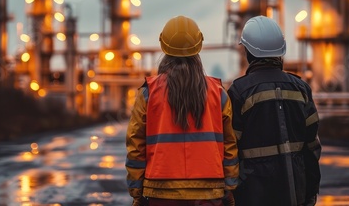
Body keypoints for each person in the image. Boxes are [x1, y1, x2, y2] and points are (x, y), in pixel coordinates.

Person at [126, 15, 239, 206]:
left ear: (164, 46)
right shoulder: (218, 93)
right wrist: (229, 187)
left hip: (160, 192)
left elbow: (136, 146)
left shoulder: (148, 93)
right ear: (199, 46)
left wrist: (137, 193)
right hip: (208, 193)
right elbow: (229, 146)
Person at [227, 15, 321, 206]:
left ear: (248, 52)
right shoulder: (300, 89)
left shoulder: (239, 92)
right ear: (281, 51)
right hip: (295, 193)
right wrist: (311, 190)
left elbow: (229, 149)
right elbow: (312, 148)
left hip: (252, 195)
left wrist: (229, 192)